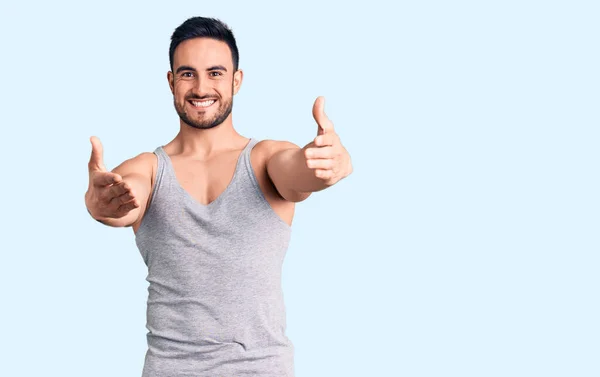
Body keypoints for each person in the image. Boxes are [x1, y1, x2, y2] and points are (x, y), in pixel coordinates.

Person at [85, 16, 352, 377]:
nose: (200, 88)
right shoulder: (147, 168)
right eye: (187, 73)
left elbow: (297, 172)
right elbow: (124, 201)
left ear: (235, 81)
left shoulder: (265, 158)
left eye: (215, 73)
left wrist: (324, 164)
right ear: (171, 82)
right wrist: (100, 205)